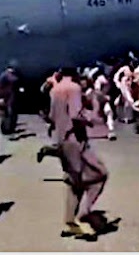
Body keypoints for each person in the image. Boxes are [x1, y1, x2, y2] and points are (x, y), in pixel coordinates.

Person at [50, 67, 109, 239]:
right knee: (100, 174)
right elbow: (76, 114)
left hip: (60, 140)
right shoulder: (74, 88)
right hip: (75, 139)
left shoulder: (55, 89)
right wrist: (92, 119)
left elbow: (52, 116)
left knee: (73, 181)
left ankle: (69, 222)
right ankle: (84, 214)